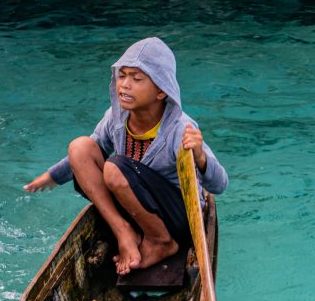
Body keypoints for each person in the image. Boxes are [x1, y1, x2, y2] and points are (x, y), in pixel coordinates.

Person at [24, 36, 228, 275]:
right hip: (131, 209)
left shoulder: (180, 129)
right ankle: (123, 231)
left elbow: (220, 184)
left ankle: (160, 241)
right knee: (80, 146)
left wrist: (200, 156)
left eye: (137, 78)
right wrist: (53, 176)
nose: (125, 85)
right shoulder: (116, 117)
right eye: (122, 76)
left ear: (161, 90)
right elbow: (87, 154)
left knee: (113, 168)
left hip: (175, 219)